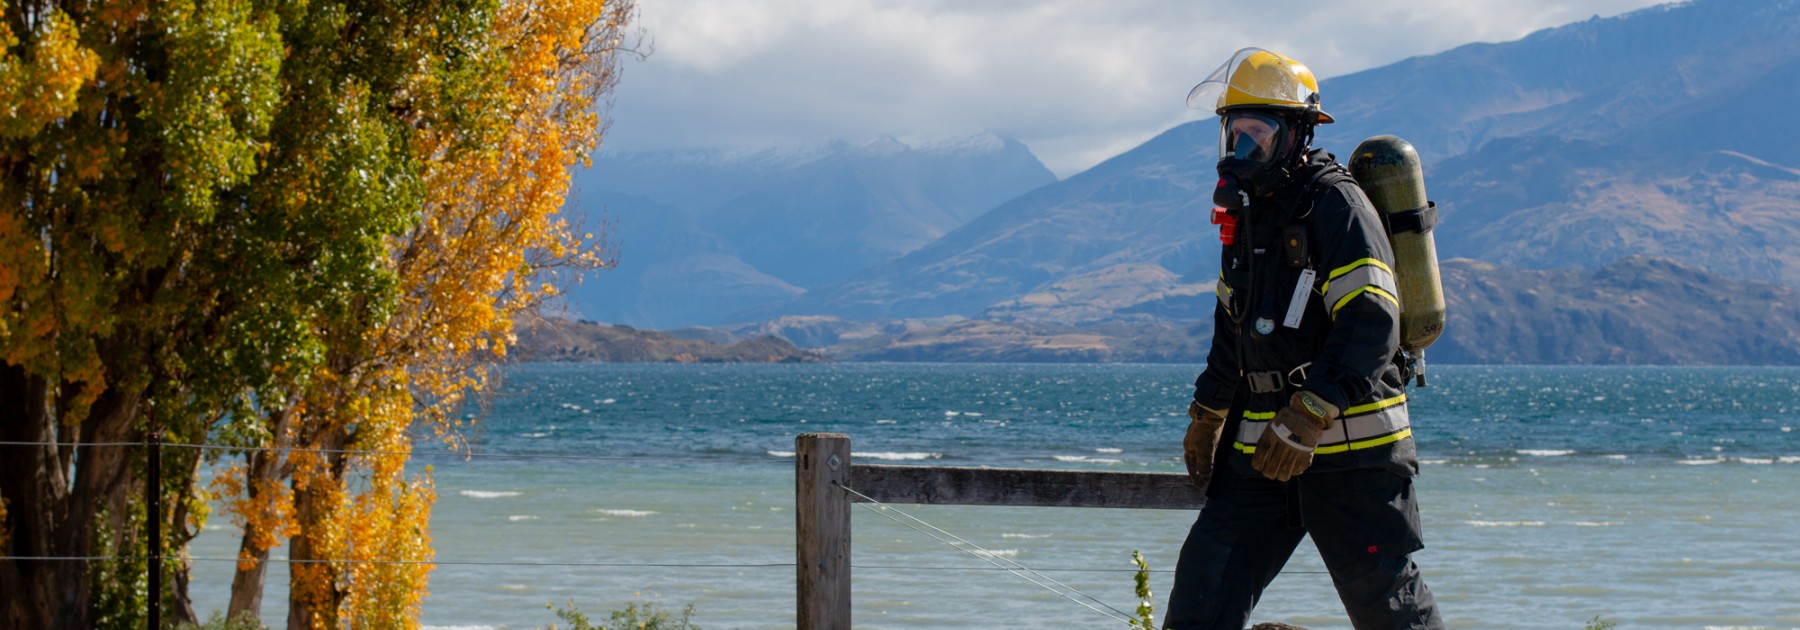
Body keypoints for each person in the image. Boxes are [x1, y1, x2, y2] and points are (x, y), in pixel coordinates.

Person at [1165, 47, 1444, 629]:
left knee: (1388, 608)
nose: (1242, 150)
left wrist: (1311, 411)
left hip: (1353, 457)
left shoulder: (1336, 205)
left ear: (1296, 132)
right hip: (1261, 455)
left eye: (1257, 133)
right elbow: (1231, 329)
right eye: (1234, 134)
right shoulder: (1248, 218)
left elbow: (1372, 320)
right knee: (1200, 597)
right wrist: (1209, 411)